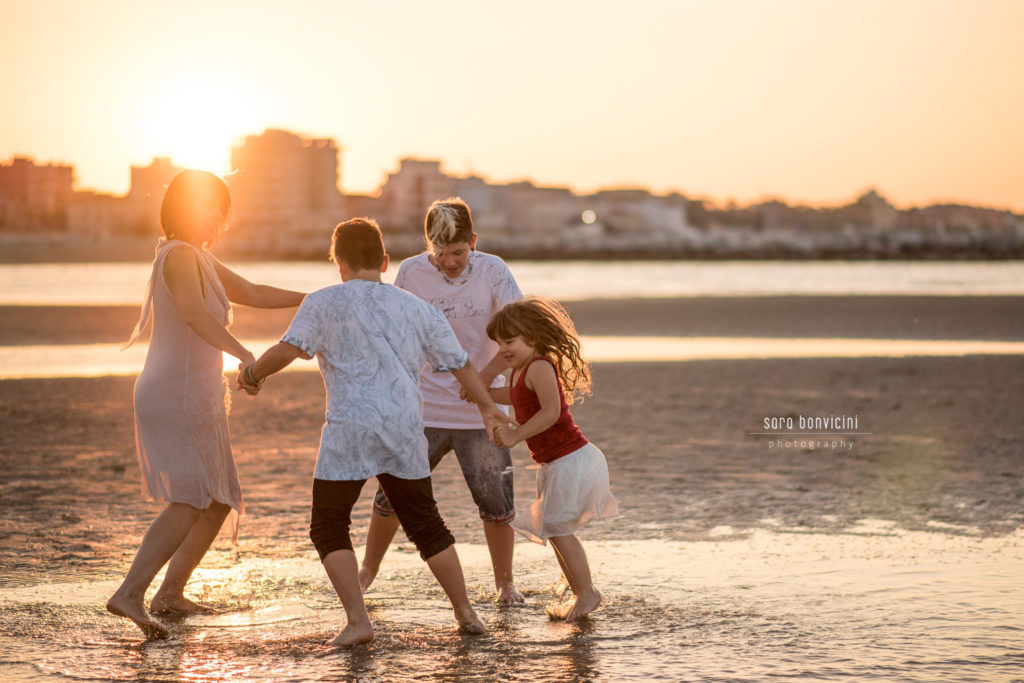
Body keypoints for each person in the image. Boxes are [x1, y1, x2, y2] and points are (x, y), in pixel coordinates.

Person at [237, 218, 510, 646]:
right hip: (402, 428)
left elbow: (289, 350)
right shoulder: (418, 308)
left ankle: (358, 619)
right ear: (384, 261)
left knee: (328, 525)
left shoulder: (323, 301)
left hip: (350, 428)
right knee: (426, 524)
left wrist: (252, 373)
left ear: (339, 263)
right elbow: (461, 364)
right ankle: (465, 611)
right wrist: (489, 408)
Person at [107, 170, 306, 639]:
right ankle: (129, 593)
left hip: (194, 394)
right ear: (183, 208)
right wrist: (246, 355)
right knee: (190, 499)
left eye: (222, 209)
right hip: (173, 392)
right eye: (209, 206)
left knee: (218, 499)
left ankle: (170, 594)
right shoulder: (178, 255)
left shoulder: (199, 258)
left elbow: (254, 293)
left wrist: (322, 300)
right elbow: (194, 314)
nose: (218, 216)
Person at [359, 197, 525, 605]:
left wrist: (482, 382)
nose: (449, 262)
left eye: (458, 252)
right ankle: (367, 572)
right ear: (426, 245)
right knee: (392, 494)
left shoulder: (494, 271)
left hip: (481, 415)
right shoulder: (412, 272)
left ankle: (505, 584)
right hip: (421, 410)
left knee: (495, 498)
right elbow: (393, 331)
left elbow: (518, 330)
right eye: (440, 253)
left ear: (473, 241)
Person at [485, 296, 619, 622]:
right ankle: (580, 593)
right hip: (552, 463)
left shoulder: (540, 366)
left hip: (571, 458)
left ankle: (587, 592)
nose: (503, 349)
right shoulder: (518, 372)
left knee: (557, 528)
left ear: (532, 336)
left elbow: (551, 411)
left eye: (510, 341)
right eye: (499, 343)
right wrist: (480, 392)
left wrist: (515, 435)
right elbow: (513, 397)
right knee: (553, 529)